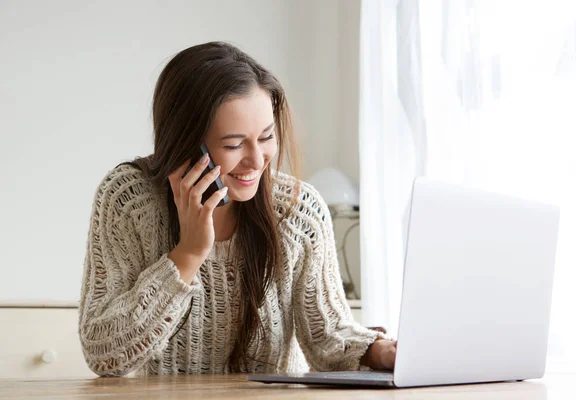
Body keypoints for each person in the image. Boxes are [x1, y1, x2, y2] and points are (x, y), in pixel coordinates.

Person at [78, 41, 397, 377]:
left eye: (266, 137)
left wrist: (380, 352)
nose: (257, 161)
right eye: (233, 144)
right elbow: (105, 356)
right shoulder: (130, 201)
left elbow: (328, 339)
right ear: (185, 142)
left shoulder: (299, 212)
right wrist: (187, 255)